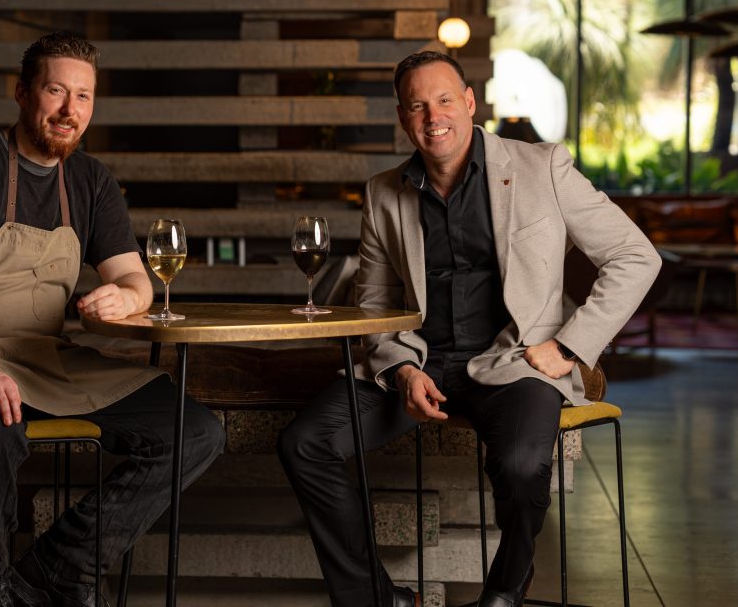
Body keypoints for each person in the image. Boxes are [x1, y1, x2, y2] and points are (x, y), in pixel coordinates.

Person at [278, 50, 660, 607]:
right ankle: (374, 600)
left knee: (523, 464)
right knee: (305, 443)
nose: (434, 117)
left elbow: (634, 256)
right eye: (417, 106)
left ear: (470, 103)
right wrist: (401, 368)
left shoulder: (543, 167)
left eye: (444, 100)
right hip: (420, 364)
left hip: (516, 363)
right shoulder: (384, 193)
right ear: (403, 117)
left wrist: (572, 346)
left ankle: (503, 595)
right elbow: (378, 302)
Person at [0, 31, 225, 607]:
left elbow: (136, 279)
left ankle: (60, 566)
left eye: (85, 97)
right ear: (22, 94)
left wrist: (126, 297)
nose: (71, 110)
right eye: (56, 91)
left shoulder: (92, 181)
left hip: (43, 359)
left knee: (195, 430)